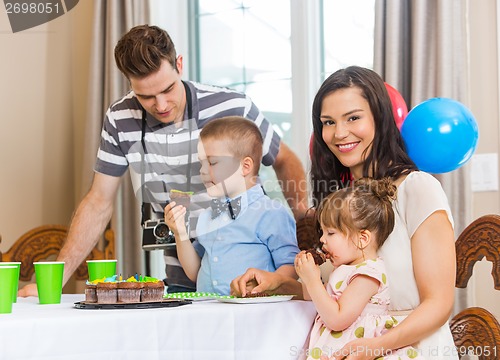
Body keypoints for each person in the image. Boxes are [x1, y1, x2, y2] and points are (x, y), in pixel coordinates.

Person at [19, 24, 307, 297]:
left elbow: (283, 159)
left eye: (168, 89)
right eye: (146, 96)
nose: (161, 105)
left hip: (253, 281)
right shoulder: (120, 118)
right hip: (187, 277)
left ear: (179, 65)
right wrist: (56, 280)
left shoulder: (232, 105)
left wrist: (301, 226)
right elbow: (98, 201)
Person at [231, 66, 456, 359]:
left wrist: (376, 346)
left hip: (412, 349)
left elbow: (438, 303)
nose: (339, 133)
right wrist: (277, 283)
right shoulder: (338, 201)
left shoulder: (418, 189)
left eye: (353, 118)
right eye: (328, 122)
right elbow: (336, 296)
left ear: (380, 118)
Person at [164, 116, 299, 295]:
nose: (203, 171)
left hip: (253, 312)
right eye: (201, 163)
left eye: (212, 162)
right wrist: (180, 231)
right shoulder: (208, 215)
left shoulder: (270, 213)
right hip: (210, 311)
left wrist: (268, 283)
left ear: (245, 166)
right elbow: (195, 273)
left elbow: (290, 265)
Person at [296, 177, 422, 360]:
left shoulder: (367, 274)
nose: (322, 239)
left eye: (331, 233)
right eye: (322, 232)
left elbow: (337, 319)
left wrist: (313, 281)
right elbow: (314, 299)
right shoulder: (344, 269)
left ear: (363, 239)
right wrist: (308, 277)